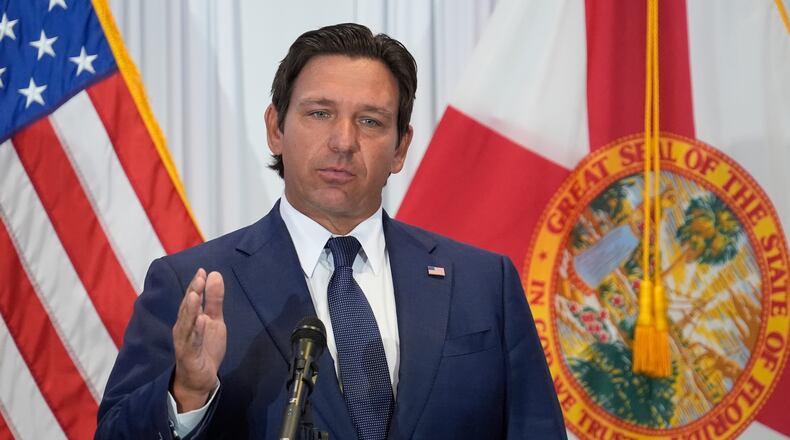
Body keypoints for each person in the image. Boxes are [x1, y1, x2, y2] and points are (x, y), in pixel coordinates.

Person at [95, 23, 566, 439]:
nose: (343, 141)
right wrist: (187, 393)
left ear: (400, 148)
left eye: (370, 121)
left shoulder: (484, 284)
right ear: (275, 128)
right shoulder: (191, 286)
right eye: (319, 113)